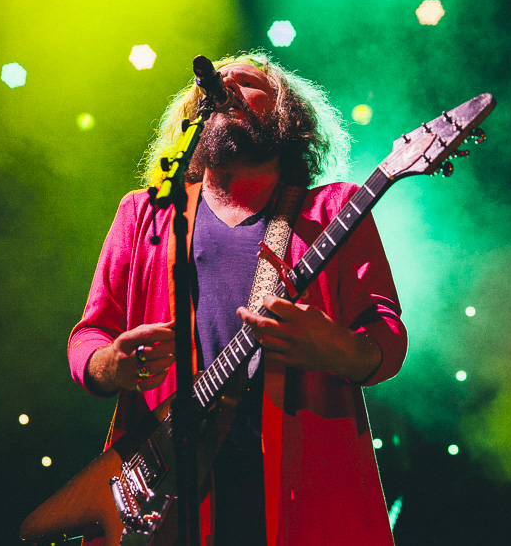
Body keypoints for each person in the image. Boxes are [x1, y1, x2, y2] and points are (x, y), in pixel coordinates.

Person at [68, 51, 406, 545]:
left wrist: (337, 347)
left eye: (248, 83)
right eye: (213, 86)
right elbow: (90, 335)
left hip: (298, 484)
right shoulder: (143, 214)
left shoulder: (335, 209)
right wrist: (110, 363)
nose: (223, 88)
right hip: (163, 485)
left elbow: (387, 334)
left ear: (289, 115)